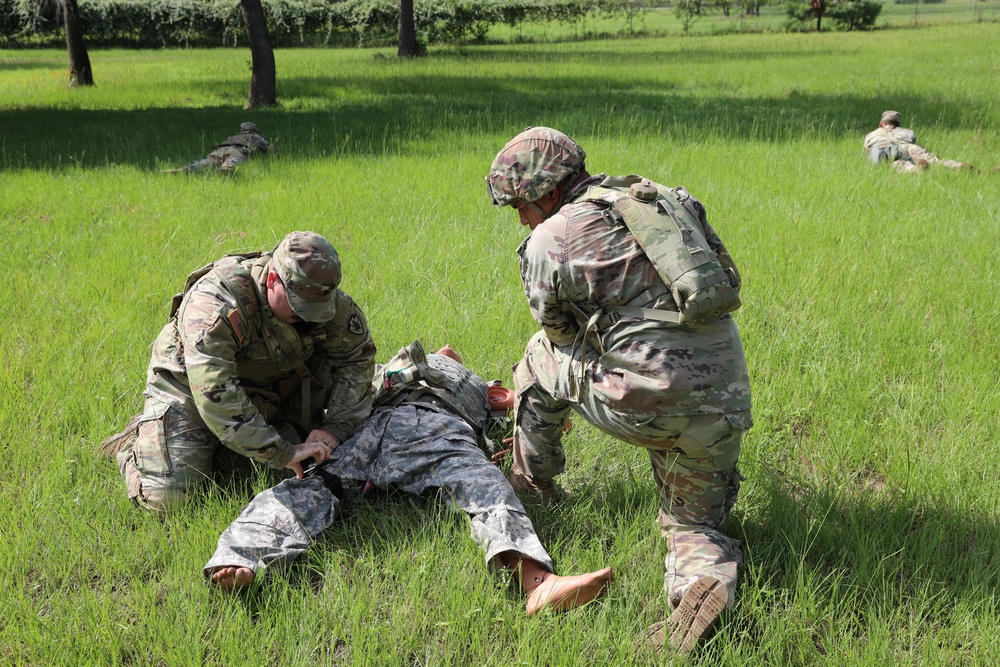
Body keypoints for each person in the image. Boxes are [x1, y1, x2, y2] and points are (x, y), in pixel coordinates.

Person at [485, 127, 752, 653]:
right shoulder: (668, 200)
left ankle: (532, 481)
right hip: (724, 401)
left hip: (645, 402)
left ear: (547, 192)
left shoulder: (549, 238)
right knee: (692, 524)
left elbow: (558, 332)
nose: (520, 217)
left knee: (537, 362)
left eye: (520, 204)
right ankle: (704, 586)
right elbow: (726, 279)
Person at [204, 340, 615, 617]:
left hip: (440, 432)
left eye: (449, 355)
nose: (447, 353)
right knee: (311, 483)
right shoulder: (400, 367)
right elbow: (350, 393)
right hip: (373, 428)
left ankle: (537, 582)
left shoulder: (477, 386)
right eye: (442, 354)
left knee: (483, 484)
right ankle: (241, 556)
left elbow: (522, 403)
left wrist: (511, 403)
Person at [100, 231, 376, 512]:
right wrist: (281, 452)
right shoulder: (216, 302)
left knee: (314, 473)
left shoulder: (326, 301)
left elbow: (357, 359)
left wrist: (336, 427)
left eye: (317, 308)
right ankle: (140, 441)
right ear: (272, 280)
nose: (308, 317)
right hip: (192, 393)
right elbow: (214, 391)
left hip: (272, 390)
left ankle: (233, 445)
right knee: (168, 500)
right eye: (299, 308)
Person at [864, 110, 971, 173]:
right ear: (897, 124)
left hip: (886, 149)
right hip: (909, 146)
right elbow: (913, 142)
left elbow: (867, 152)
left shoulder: (871, 135)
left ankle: (914, 169)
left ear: (881, 124)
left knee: (897, 164)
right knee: (933, 160)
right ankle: (956, 165)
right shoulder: (908, 132)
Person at [167, 122, 276, 174]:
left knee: (206, 162)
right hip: (237, 150)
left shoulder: (232, 136)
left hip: (219, 150)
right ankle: (225, 171)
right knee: (230, 164)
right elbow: (273, 152)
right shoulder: (255, 136)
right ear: (254, 130)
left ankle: (184, 170)